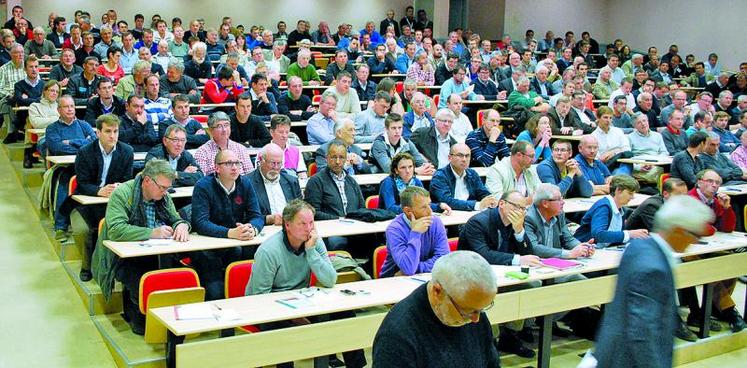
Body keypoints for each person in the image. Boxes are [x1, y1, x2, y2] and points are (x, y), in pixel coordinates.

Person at [592, 195, 714, 368]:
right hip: (629, 361)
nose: (695, 241)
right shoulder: (653, 268)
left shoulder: (639, 246)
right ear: (678, 230)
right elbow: (642, 334)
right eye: (694, 234)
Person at [246, 198, 367, 368]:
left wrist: (311, 251)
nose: (309, 228)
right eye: (302, 223)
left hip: (301, 302)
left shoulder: (314, 241)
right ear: (287, 225)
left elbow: (330, 279)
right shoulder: (269, 251)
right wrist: (295, 318)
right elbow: (259, 298)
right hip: (267, 308)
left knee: (345, 315)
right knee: (283, 331)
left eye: (311, 222)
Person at [92, 159, 190, 335]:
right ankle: (141, 317)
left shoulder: (163, 196)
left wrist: (182, 225)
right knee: (140, 280)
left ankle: (167, 321)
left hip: (157, 253)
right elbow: (115, 230)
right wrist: (152, 232)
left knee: (178, 275)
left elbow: (176, 218)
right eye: (162, 187)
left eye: (167, 188)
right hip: (125, 258)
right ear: (147, 181)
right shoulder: (122, 193)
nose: (165, 191)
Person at [372, 250, 500, 367]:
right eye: (466, 312)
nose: (476, 319)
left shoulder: (472, 307)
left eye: (482, 309)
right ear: (437, 291)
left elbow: (491, 363)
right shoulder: (397, 336)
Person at [456, 190, 538, 358]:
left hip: (502, 274)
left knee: (530, 286)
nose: (521, 212)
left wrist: (519, 232)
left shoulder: (516, 223)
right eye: (517, 207)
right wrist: (517, 259)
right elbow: (483, 254)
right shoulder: (478, 222)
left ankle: (510, 335)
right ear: (502, 204)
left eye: (524, 208)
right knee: (490, 294)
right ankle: (489, 341)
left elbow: (528, 252)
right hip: (472, 276)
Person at [69, 114, 133, 281]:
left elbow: (127, 180)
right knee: (87, 229)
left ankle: (117, 267)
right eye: (108, 131)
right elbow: (81, 183)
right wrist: (99, 191)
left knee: (124, 226)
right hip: (86, 201)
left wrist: (119, 187)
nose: (113, 136)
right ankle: (87, 265)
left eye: (116, 131)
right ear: (98, 133)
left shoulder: (127, 151)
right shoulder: (85, 152)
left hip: (114, 201)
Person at [191, 149, 263, 298]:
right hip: (208, 248)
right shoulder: (203, 186)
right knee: (216, 292)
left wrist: (253, 229)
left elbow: (257, 216)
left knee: (244, 286)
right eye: (229, 163)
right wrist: (229, 233)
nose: (234, 167)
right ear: (217, 168)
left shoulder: (245, 183)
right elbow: (200, 222)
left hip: (235, 245)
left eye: (237, 163)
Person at [380, 186, 450, 277]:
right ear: (408, 211)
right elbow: (408, 268)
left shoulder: (435, 222)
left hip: (426, 276)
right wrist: (415, 233)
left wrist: (418, 268)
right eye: (424, 207)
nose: (430, 211)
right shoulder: (394, 230)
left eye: (429, 204)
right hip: (393, 280)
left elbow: (444, 260)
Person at [574, 175, 649, 247]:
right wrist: (629, 234)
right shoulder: (603, 207)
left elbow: (615, 237)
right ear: (618, 190)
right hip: (583, 248)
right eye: (630, 193)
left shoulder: (620, 209)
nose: (632, 197)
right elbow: (598, 235)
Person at [525, 183, 594, 259]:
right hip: (535, 264)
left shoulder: (559, 214)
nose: (563, 202)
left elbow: (567, 239)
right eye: (558, 199)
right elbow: (534, 248)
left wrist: (582, 248)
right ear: (545, 203)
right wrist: (569, 253)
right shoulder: (528, 218)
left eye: (562, 198)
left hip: (555, 262)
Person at [248, 143, 302, 226]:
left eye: (279, 163)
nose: (276, 167)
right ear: (261, 160)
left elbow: (300, 209)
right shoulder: (247, 183)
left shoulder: (292, 181)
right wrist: (269, 219)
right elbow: (245, 216)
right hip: (263, 229)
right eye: (272, 163)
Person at [431, 143, 497, 211]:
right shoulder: (440, 176)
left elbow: (483, 193)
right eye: (460, 155)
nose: (464, 159)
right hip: (449, 214)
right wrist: (477, 205)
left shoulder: (472, 174)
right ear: (450, 158)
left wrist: (490, 200)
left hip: (470, 213)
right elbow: (447, 201)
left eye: (467, 156)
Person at [378, 152, 449, 214]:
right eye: (403, 168)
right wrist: (416, 209)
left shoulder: (416, 182)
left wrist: (439, 206)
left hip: (412, 217)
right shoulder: (388, 183)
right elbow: (391, 208)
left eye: (410, 167)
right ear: (396, 170)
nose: (408, 171)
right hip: (390, 221)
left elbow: (424, 204)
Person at [591, 106, 633, 175]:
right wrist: (619, 150)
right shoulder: (593, 136)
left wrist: (612, 153)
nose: (608, 120)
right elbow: (599, 159)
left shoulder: (618, 131)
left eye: (610, 118)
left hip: (622, 163)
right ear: (598, 118)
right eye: (605, 117)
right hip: (606, 166)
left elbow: (627, 150)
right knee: (619, 175)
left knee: (623, 169)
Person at [269, 115, 307, 179]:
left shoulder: (296, 151)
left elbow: (302, 174)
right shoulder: (264, 152)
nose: (284, 135)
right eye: (281, 132)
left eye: (287, 132)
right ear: (271, 132)